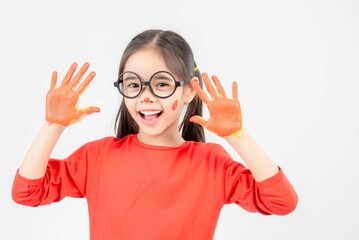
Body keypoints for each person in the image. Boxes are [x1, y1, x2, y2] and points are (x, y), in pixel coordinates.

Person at [12, 29, 298, 239]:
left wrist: (238, 136)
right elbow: (27, 193)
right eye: (133, 84)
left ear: (188, 90)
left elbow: (281, 201)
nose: (144, 97)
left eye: (161, 84)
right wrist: (53, 126)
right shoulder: (97, 157)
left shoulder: (211, 163)